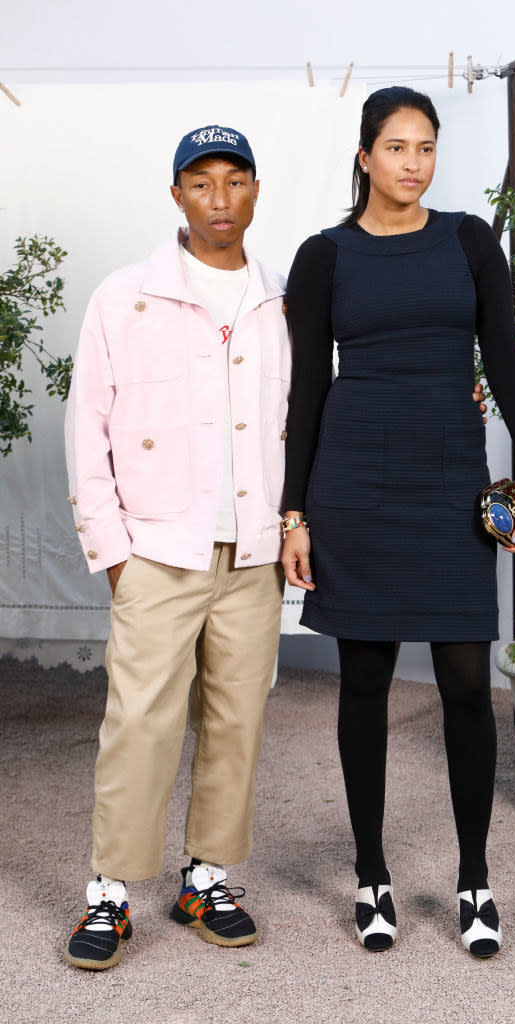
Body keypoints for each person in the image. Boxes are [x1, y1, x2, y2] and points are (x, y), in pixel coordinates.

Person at [281, 87, 515, 958]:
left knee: (468, 687)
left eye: (425, 147)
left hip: (446, 484)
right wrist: (295, 513)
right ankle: (371, 875)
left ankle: (475, 878)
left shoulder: (470, 241)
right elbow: (305, 391)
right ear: (363, 156)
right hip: (353, 484)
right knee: (361, 683)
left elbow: (502, 356)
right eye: (395, 147)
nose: (412, 163)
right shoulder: (322, 257)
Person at [63, 125, 291, 970]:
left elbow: (304, 423)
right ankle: (111, 893)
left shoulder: (283, 302)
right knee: (141, 723)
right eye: (201, 184)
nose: (220, 200)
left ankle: (208, 878)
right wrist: (113, 550)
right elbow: (86, 426)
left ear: (256, 191)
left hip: (253, 556)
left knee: (237, 721)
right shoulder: (125, 297)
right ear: (176, 196)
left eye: (235, 182)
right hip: (158, 551)